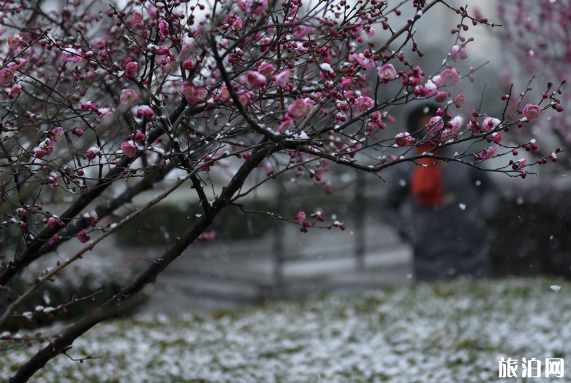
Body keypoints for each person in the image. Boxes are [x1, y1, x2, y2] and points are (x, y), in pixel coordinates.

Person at [381, 102, 499, 282]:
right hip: (428, 250)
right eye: (424, 121)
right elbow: (389, 204)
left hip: (469, 242)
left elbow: (490, 189)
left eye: (433, 120)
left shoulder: (464, 152)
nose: (429, 125)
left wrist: (483, 216)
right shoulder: (408, 162)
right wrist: (407, 231)